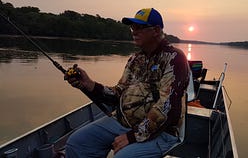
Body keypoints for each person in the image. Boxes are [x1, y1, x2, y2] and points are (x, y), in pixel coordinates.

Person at [64, 8, 190, 158]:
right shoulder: (135, 60)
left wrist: (132, 136)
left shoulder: (174, 58)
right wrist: (89, 85)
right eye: (132, 27)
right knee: (77, 143)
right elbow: (119, 93)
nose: (134, 32)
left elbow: (167, 108)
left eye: (139, 28)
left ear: (156, 30)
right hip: (124, 122)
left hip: (162, 132)